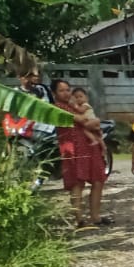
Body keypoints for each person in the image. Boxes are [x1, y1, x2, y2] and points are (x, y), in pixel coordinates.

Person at [53, 80, 109, 228]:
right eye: (61, 90)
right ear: (54, 94)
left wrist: (94, 121)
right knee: (77, 183)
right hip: (73, 148)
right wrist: (96, 120)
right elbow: (85, 121)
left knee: (98, 179)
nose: (66, 93)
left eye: (67, 89)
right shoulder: (58, 108)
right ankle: (78, 219)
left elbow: (88, 121)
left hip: (90, 145)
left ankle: (95, 216)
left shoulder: (75, 106)